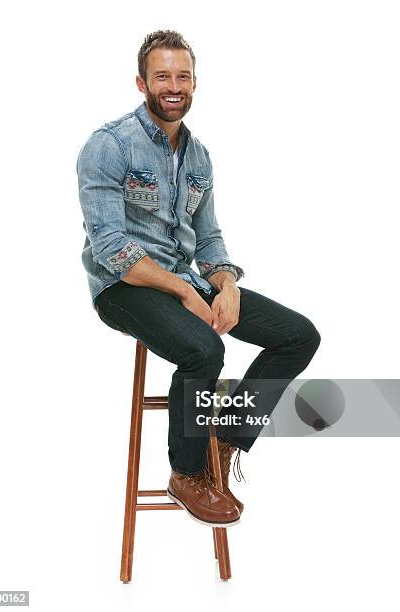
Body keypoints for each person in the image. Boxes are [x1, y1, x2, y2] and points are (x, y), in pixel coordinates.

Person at [76, 30, 321, 528]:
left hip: (189, 277)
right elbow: (111, 248)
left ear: (194, 84)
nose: (173, 85)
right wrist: (186, 290)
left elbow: (208, 239)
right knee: (204, 351)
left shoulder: (199, 156)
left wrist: (225, 284)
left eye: (182, 76)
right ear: (141, 82)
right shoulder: (108, 145)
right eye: (162, 76)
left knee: (298, 335)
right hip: (124, 287)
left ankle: (225, 441)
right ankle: (187, 474)